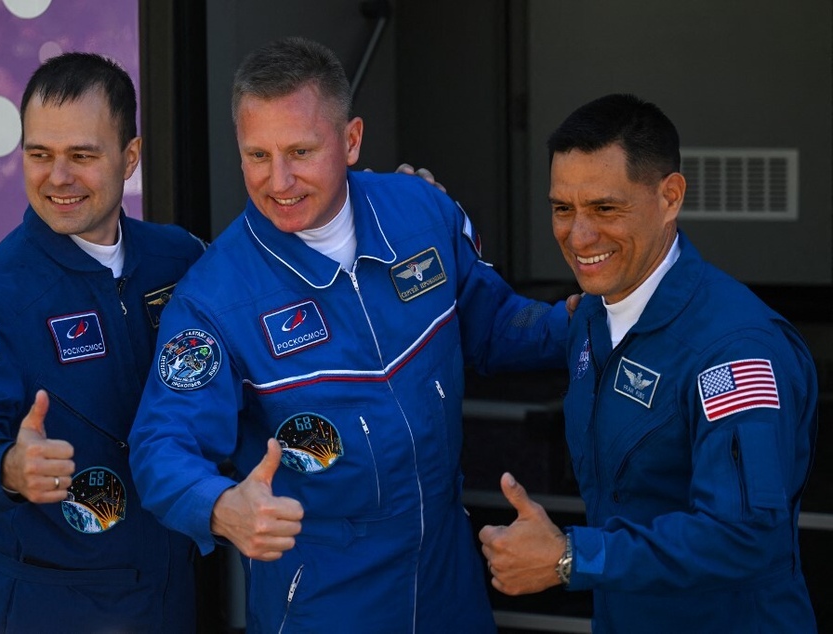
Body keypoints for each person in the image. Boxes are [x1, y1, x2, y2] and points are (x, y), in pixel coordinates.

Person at [128, 36, 570, 633]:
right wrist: (220, 506)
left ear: (352, 140)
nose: (278, 180)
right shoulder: (213, 299)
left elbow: (491, 327)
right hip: (324, 601)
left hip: (447, 582)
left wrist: (590, 320)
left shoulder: (421, 211)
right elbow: (161, 445)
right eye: (257, 156)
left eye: (300, 151)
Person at [479, 93, 818, 632]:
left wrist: (570, 557)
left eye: (605, 208)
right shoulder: (592, 314)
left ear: (670, 197)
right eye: (563, 208)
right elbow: (492, 330)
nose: (579, 235)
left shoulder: (736, 349)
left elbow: (744, 534)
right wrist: (425, 224)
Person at [0, 52, 206, 633]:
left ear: (131, 157)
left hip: (173, 598)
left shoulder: (180, 259)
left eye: (82, 155)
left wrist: (383, 211)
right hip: (51, 607)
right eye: (39, 154)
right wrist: (8, 468)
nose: (57, 177)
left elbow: (275, 289)